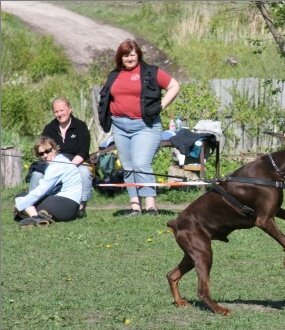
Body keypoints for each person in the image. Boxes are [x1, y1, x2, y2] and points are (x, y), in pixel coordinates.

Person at [98, 38, 180, 216]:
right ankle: (135, 207)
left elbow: (174, 86)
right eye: (125, 55)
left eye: (132, 55)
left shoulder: (150, 72)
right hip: (120, 126)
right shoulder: (114, 75)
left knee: (141, 163)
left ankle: (151, 206)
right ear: (120, 57)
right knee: (128, 166)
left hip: (146, 126)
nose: (129, 58)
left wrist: (160, 106)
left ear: (138, 55)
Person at [28, 96, 93, 218]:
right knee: (37, 175)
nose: (59, 114)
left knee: (84, 172)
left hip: (75, 161)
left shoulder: (81, 126)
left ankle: (81, 207)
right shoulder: (49, 128)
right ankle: (32, 207)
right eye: (56, 111)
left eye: (62, 110)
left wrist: (70, 167)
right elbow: (44, 150)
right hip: (52, 162)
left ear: (70, 109)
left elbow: (83, 151)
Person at [15, 136, 82, 227]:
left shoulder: (56, 165)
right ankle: (43, 215)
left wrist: (19, 205)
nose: (45, 155)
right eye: (41, 154)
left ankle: (35, 218)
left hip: (65, 206)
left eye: (47, 151)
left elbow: (41, 191)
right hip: (72, 208)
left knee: (21, 197)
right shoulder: (62, 160)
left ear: (55, 148)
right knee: (26, 201)